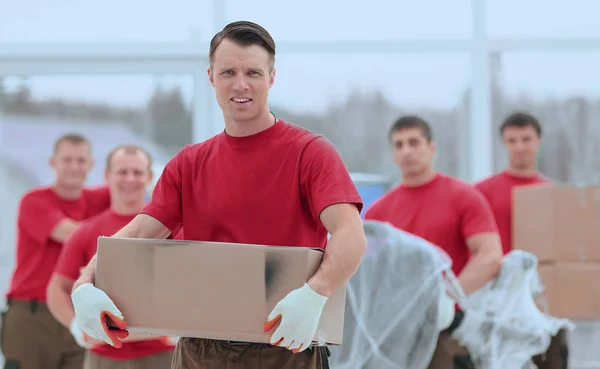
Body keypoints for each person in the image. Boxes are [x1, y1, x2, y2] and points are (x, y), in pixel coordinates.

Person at [69, 21, 366, 369]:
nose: (241, 84)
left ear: (271, 77)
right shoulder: (189, 163)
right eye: (228, 72)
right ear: (211, 77)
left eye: (253, 72)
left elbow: (351, 234)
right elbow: (134, 237)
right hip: (199, 350)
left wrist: (316, 292)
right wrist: (85, 285)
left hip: (284, 344)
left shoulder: (310, 153)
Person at [363, 115, 503, 369]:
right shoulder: (378, 213)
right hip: (395, 332)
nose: (407, 151)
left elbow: (490, 255)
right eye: (399, 145)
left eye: (414, 143)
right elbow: (366, 273)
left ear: (431, 147)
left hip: (446, 326)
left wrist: (447, 297)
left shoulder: (463, 196)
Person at [47, 145, 180, 369]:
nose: (130, 179)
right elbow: (57, 288)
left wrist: (182, 329)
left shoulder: (175, 230)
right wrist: (75, 327)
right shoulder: (86, 232)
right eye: (122, 172)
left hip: (164, 357)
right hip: (103, 360)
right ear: (107, 176)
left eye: (137, 172)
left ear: (149, 177)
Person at [1, 134, 111, 369]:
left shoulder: (98, 199)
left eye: (81, 160)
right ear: (53, 162)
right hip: (33, 317)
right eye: (67, 159)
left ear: (91, 164)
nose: (74, 166)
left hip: (76, 313)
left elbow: (135, 188)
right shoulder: (34, 201)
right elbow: (73, 235)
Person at [474, 112, 568, 369]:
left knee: (550, 359)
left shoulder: (554, 194)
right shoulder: (480, 193)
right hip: (496, 298)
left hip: (544, 296)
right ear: (503, 143)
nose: (519, 146)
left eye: (526, 139)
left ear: (538, 141)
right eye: (512, 140)